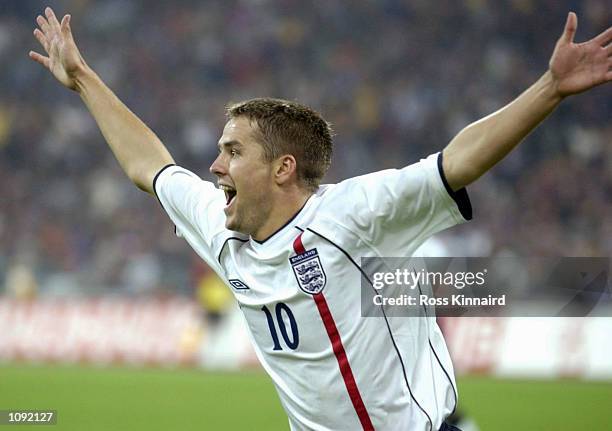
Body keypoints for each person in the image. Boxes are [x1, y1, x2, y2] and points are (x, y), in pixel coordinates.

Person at [29, 7, 611, 431]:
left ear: (283, 168)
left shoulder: (356, 214)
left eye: (233, 152)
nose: (214, 166)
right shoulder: (219, 226)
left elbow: (455, 162)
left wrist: (549, 90)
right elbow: (150, 167)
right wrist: (81, 77)